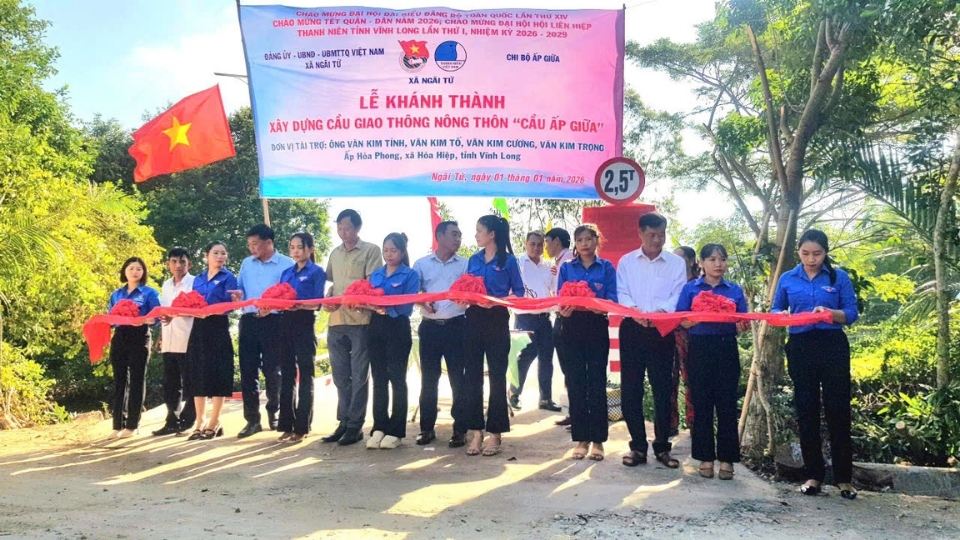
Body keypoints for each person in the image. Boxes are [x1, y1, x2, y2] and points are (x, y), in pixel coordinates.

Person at [773, 229, 860, 500]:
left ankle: (844, 479)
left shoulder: (838, 277)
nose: (811, 259)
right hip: (800, 346)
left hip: (832, 346)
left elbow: (852, 313)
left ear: (826, 253)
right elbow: (775, 309)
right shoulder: (787, 278)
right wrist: (782, 315)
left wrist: (831, 313)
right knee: (806, 408)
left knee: (838, 409)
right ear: (798, 252)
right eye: (806, 253)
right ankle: (813, 475)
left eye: (817, 254)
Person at [616, 213, 688, 468]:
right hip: (632, 328)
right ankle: (637, 447)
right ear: (640, 233)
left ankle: (662, 447)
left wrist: (661, 313)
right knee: (631, 390)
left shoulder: (675, 263)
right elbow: (621, 291)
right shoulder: (627, 262)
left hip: (662, 329)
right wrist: (635, 312)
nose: (657, 240)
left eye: (661, 234)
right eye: (652, 235)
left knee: (663, 390)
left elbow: (678, 293)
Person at [676, 244, 748, 480]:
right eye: (713, 259)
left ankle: (727, 459)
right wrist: (697, 317)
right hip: (699, 348)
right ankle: (705, 457)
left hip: (726, 348)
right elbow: (680, 319)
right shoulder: (690, 289)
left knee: (727, 404)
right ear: (702, 263)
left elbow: (743, 322)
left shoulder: (734, 290)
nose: (718, 264)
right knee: (702, 403)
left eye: (722, 259)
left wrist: (741, 325)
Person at [462, 215, 524, 456]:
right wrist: (463, 297)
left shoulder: (508, 261)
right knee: (472, 377)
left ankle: (495, 432)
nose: (476, 235)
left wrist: (497, 301)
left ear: (492, 234)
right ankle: (476, 431)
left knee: (497, 376)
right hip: (473, 319)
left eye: (479, 231)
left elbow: (518, 293)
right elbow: (467, 287)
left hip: (497, 319)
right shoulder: (473, 259)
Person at [555, 224, 617, 461]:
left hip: (597, 326)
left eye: (589, 239)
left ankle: (598, 440)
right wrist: (564, 309)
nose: (584, 244)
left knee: (597, 383)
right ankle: (581, 439)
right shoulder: (567, 268)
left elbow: (612, 298)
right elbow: (560, 298)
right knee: (576, 383)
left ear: (596, 241)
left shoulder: (607, 267)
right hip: (571, 326)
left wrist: (598, 305)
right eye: (580, 240)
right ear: (575, 243)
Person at [323, 209, 383, 446]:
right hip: (336, 320)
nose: (342, 232)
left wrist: (359, 300)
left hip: (360, 321)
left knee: (359, 376)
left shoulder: (371, 250)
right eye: (339, 227)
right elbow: (332, 283)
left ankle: (355, 425)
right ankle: (343, 421)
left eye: (347, 227)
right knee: (340, 375)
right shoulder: (335, 253)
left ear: (357, 228)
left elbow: (372, 284)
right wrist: (328, 297)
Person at [233, 224, 294, 438]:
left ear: (269, 242)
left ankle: (274, 411)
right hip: (249, 320)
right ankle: (252, 420)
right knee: (248, 370)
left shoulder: (286, 264)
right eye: (249, 244)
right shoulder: (246, 263)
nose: (252, 248)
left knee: (273, 370)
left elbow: (290, 295)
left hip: (275, 321)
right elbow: (241, 289)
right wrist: (237, 295)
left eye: (255, 244)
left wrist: (274, 306)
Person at [413, 221, 469, 447]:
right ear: (440, 236)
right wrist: (422, 301)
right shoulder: (421, 264)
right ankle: (426, 428)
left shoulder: (465, 265)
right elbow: (413, 291)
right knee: (429, 379)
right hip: (430, 328)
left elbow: (472, 291)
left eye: (460, 235)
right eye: (454, 234)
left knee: (458, 379)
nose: (458, 239)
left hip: (457, 326)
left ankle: (460, 429)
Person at [365, 233, 420, 449]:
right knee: (378, 379)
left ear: (402, 252)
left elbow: (407, 305)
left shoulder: (410, 275)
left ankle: (396, 431)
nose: (389, 254)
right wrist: (368, 305)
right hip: (375, 327)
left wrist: (387, 308)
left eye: (393, 250)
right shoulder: (376, 274)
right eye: (385, 250)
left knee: (397, 378)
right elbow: (367, 297)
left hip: (397, 327)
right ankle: (379, 426)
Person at [276, 232, 326, 443]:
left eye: (300, 247)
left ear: (310, 249)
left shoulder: (317, 272)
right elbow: (278, 296)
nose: (295, 251)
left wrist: (299, 305)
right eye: (292, 247)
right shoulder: (286, 273)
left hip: (304, 323)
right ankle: (286, 425)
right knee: (286, 374)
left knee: (305, 374)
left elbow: (318, 302)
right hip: (285, 322)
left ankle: (302, 426)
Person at [187, 242, 238, 440]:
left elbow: (231, 305)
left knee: (218, 373)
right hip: (198, 327)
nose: (220, 256)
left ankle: (214, 421)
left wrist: (222, 307)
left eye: (223, 253)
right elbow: (192, 302)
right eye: (215, 253)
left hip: (218, 326)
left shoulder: (229, 277)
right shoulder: (197, 279)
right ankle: (199, 421)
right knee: (198, 373)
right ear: (206, 255)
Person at [107, 257, 161, 438]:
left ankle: (132, 425)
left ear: (143, 272)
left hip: (140, 336)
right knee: (119, 380)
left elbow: (157, 316)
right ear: (125, 271)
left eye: (139, 269)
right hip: (120, 336)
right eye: (131, 268)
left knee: (137, 379)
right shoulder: (116, 294)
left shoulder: (150, 293)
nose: (135, 272)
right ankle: (117, 425)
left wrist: (148, 320)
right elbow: (110, 317)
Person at [512, 231, 561, 412]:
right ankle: (513, 394)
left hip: (544, 319)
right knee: (525, 357)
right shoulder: (516, 264)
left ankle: (545, 398)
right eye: (532, 244)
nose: (536, 248)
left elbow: (555, 290)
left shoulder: (548, 267)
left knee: (546, 359)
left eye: (540, 244)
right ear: (525, 244)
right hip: (525, 318)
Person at [152, 248, 196, 436]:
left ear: (189, 264)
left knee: (190, 382)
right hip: (169, 339)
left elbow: (197, 309)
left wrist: (175, 314)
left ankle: (188, 419)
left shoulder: (195, 283)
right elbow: (163, 312)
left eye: (182, 262)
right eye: (174, 261)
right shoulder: (166, 285)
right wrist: (160, 336)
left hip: (188, 338)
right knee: (170, 383)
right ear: (168, 264)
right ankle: (172, 420)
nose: (178, 265)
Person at [544, 227, 575, 427]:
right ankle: (574, 411)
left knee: (572, 367)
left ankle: (578, 413)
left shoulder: (568, 262)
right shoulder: (558, 263)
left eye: (547, 242)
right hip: (560, 317)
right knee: (567, 368)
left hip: (568, 318)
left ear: (556, 241)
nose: (545, 247)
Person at [672, 246, 699, 436]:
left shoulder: (699, 285)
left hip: (692, 337)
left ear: (690, 261)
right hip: (668, 335)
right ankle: (669, 424)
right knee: (668, 380)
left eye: (679, 258)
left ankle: (694, 424)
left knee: (692, 379)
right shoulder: (669, 282)